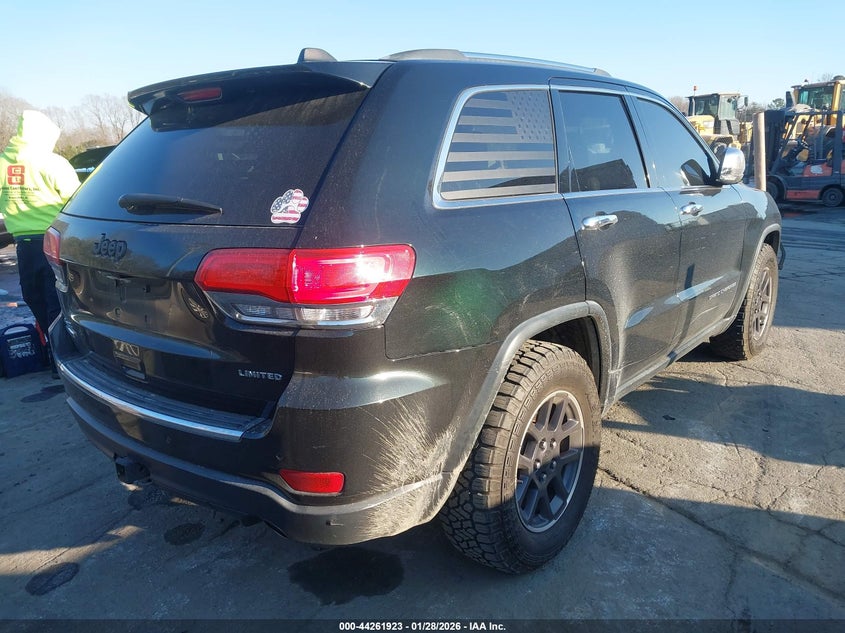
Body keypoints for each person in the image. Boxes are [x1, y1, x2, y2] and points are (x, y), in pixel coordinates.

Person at [0, 110, 80, 357]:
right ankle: (63, 355)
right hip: (55, 241)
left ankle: (53, 350)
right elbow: (75, 200)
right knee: (56, 301)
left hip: (23, 244)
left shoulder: (3, 162)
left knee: (35, 297)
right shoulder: (53, 163)